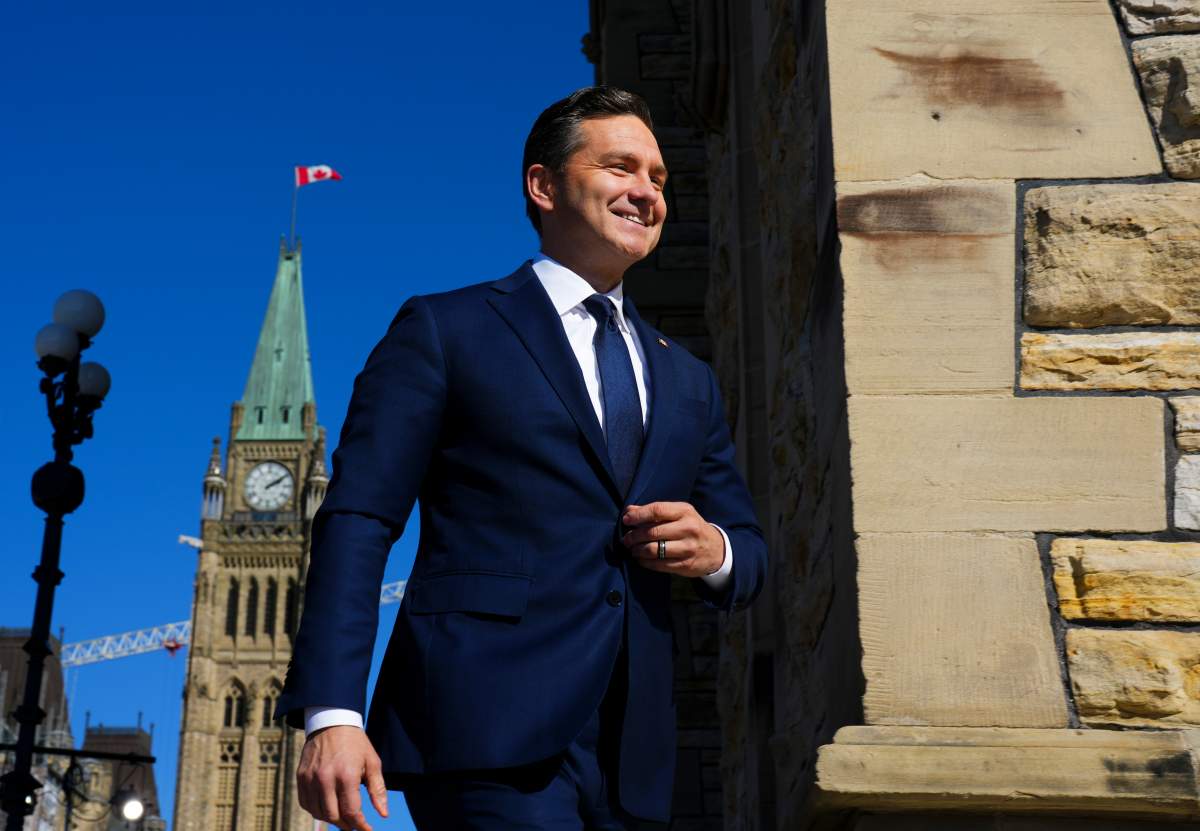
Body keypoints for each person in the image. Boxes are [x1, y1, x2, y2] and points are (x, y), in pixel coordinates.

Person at [276, 85, 767, 831]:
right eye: (621, 168)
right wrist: (333, 711)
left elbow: (752, 552)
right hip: (485, 732)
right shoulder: (446, 329)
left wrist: (718, 550)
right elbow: (359, 517)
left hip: (636, 761)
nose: (646, 192)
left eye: (659, 179)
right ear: (543, 185)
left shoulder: (688, 378)